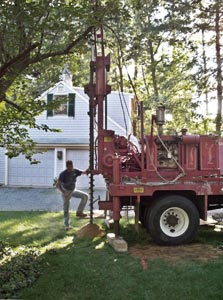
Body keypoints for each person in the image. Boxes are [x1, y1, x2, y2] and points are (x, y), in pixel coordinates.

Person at [56, 160, 89, 230]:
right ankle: (66, 225)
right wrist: (64, 192)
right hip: (66, 192)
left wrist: (88, 171)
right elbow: (58, 184)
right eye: (69, 167)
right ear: (67, 166)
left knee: (85, 196)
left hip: (73, 190)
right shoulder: (63, 174)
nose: (71, 168)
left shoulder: (75, 171)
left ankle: (79, 212)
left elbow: (83, 172)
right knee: (66, 209)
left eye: (72, 166)